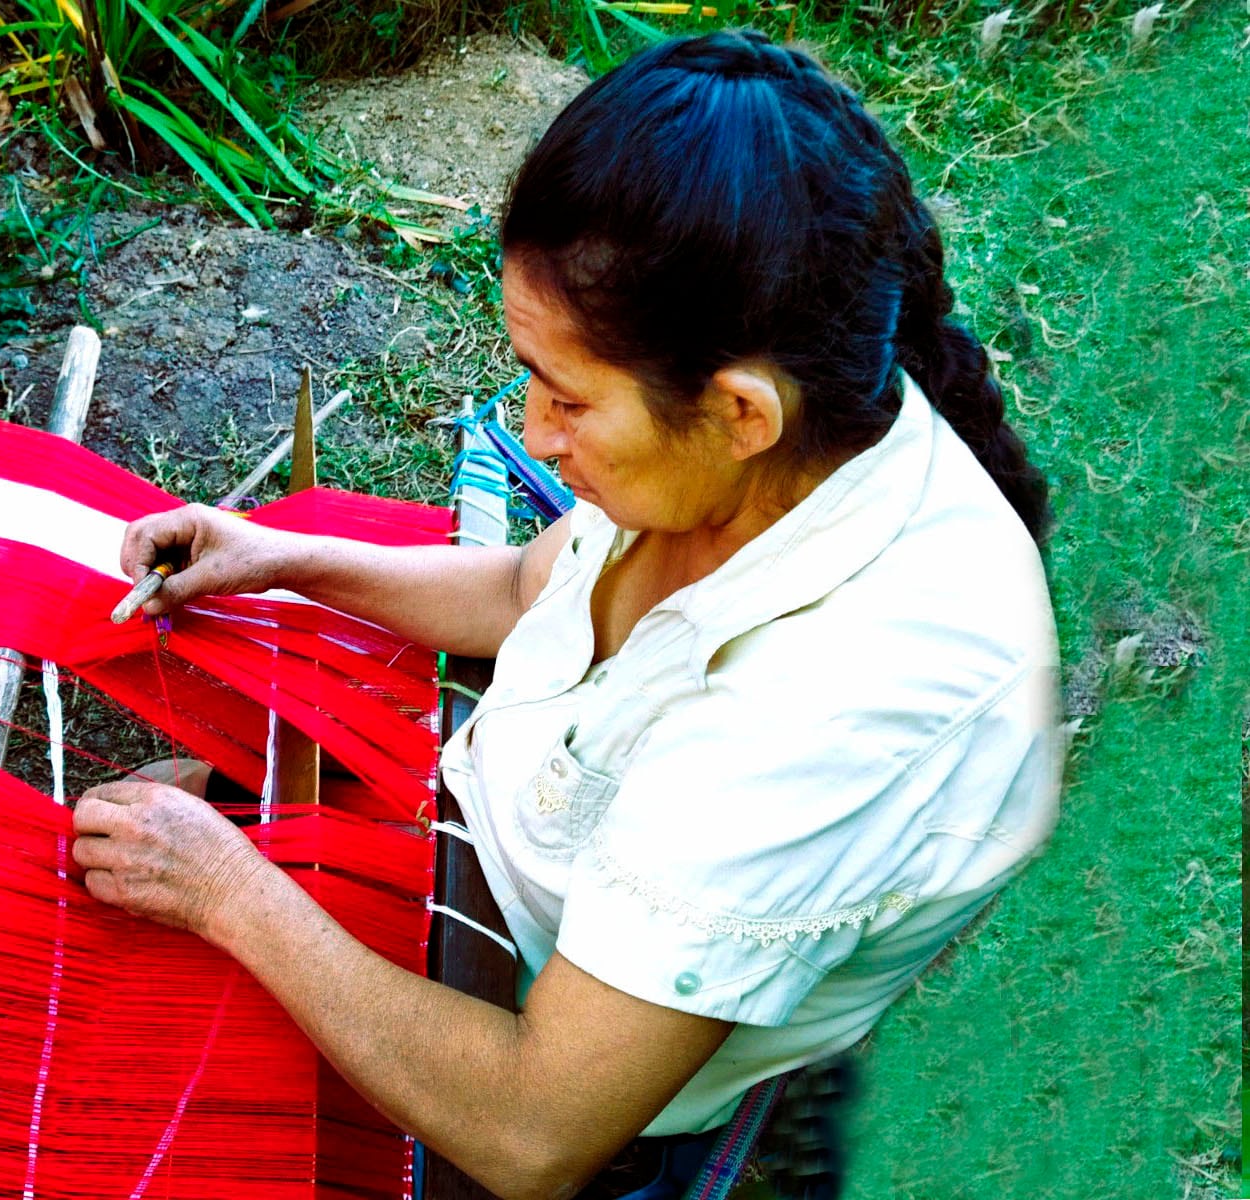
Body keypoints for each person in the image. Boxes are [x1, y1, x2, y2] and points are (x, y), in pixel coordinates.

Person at [68, 28, 1063, 1200]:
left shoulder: (832, 714)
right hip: (488, 859)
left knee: (121, 1061)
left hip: (541, 1048)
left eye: (570, 400)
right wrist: (280, 557)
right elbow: (520, 591)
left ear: (740, 413)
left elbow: (534, 1135)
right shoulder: (752, 458)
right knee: (129, 849)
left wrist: (229, 892)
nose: (533, 434)